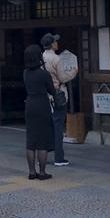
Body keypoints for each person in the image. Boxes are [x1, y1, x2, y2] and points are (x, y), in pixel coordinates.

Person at [23, 44, 56, 180]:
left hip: (30, 103)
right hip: (42, 104)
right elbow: (52, 91)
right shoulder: (44, 74)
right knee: (43, 139)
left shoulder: (25, 73)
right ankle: (42, 172)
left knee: (31, 140)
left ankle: (31, 172)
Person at [41, 32, 70, 167]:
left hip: (45, 96)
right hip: (58, 95)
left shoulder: (41, 58)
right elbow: (62, 78)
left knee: (46, 126)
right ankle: (59, 157)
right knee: (58, 127)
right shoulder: (56, 59)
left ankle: (43, 155)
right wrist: (73, 73)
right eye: (55, 41)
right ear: (52, 44)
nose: (57, 43)